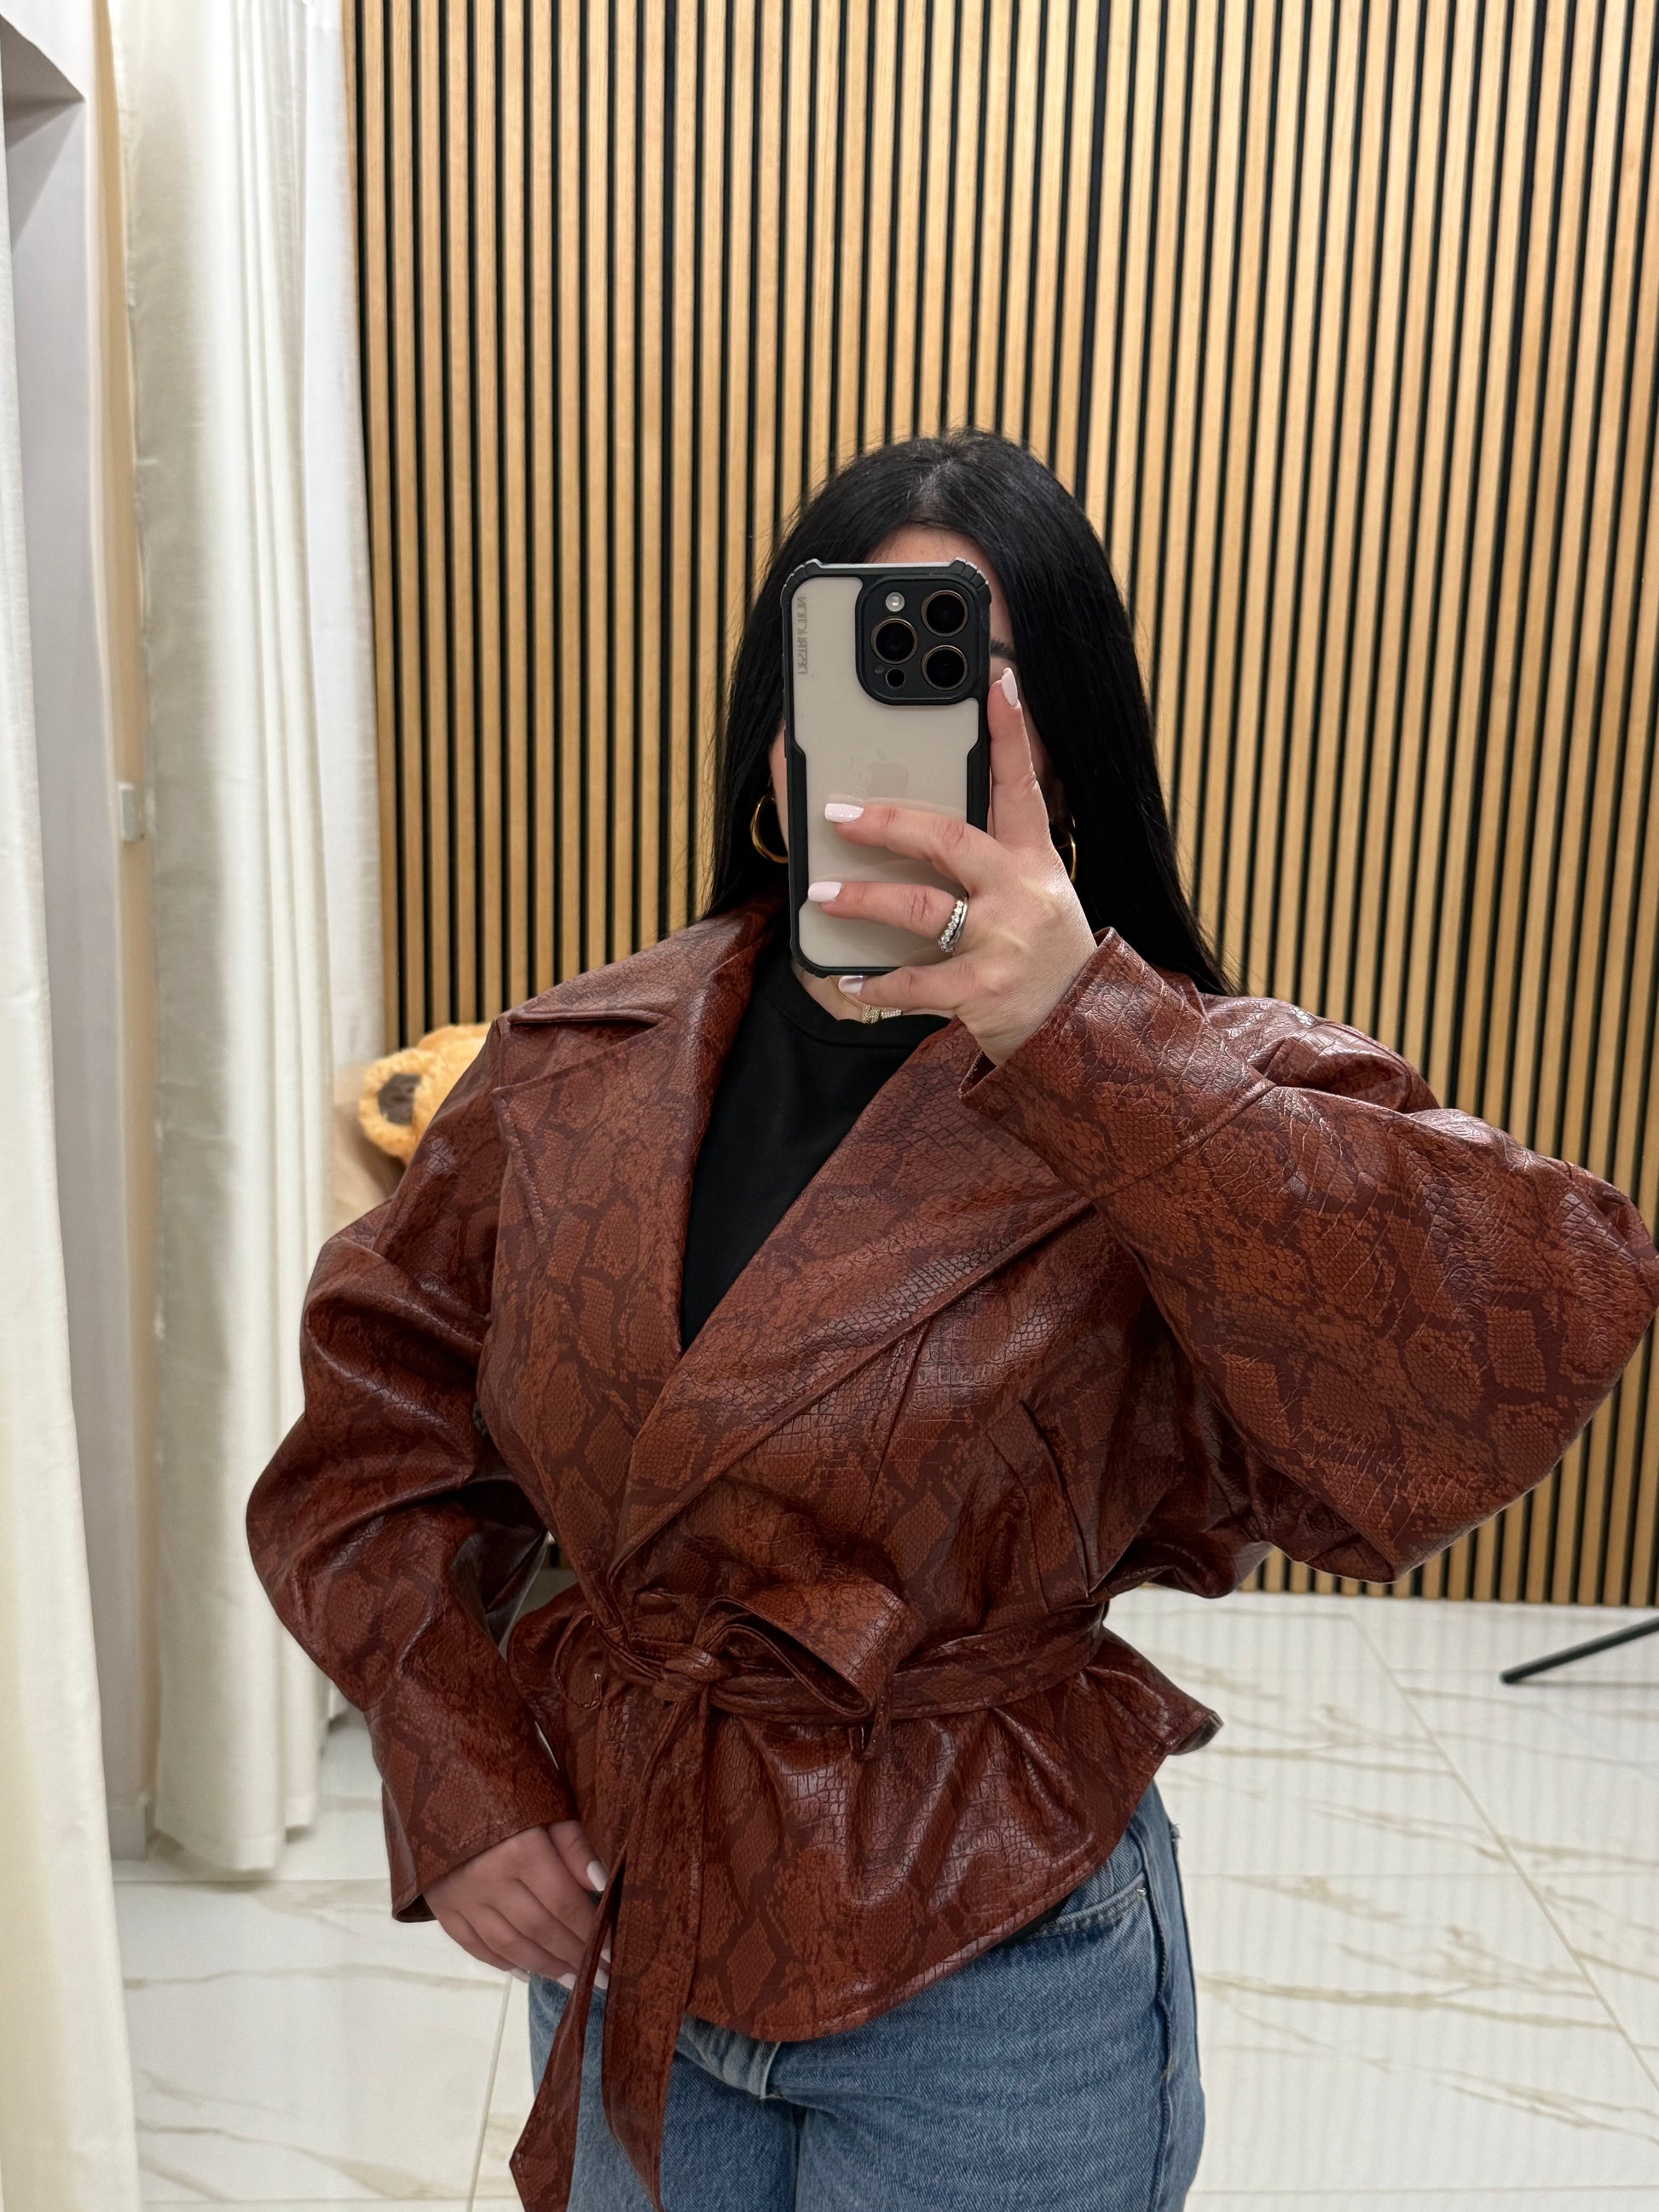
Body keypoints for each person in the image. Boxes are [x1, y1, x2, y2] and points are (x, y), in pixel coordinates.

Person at [246, 428, 1659, 2212]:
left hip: (992, 1970)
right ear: (774, 733)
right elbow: (370, 1441)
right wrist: (457, 1765)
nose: (897, 725)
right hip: (628, 1912)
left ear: (1064, 736)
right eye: (853, 663)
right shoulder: (570, 1065)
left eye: (964, 676)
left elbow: (1513, 1341)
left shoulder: (1192, 1083)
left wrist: (1083, 1033)